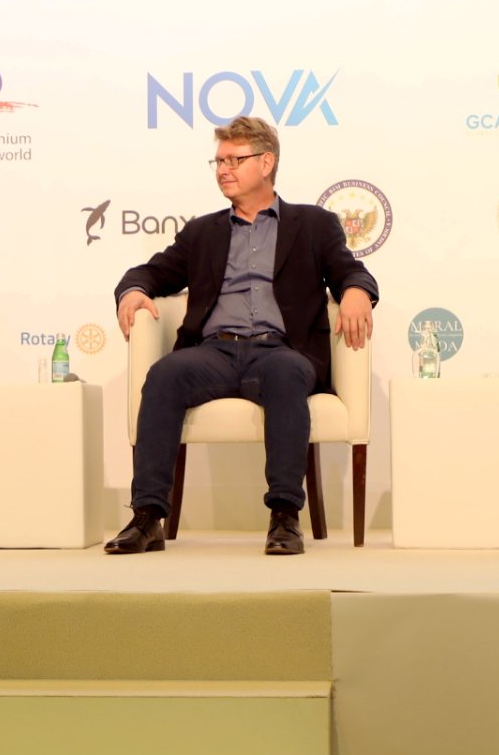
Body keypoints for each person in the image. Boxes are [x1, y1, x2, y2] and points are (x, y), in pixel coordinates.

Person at [107, 115, 378, 555]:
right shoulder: (202, 232)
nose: (223, 170)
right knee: (164, 375)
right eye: (218, 161)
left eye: (234, 160)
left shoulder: (312, 224)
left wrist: (355, 291)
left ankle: (285, 517)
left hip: (280, 350)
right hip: (214, 352)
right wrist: (134, 290)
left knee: (286, 374)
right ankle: (147, 517)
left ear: (266, 163)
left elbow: (352, 271)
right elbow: (151, 272)